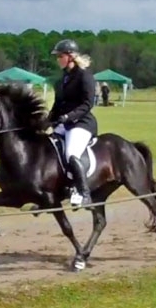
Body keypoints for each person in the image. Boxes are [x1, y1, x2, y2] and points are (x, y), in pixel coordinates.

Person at [48, 39, 98, 208]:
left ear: (70, 57)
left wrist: (68, 117)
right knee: (50, 149)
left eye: (60, 56)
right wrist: (46, 121)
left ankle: (84, 193)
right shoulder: (62, 80)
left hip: (82, 123)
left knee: (71, 153)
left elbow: (87, 104)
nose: (57, 60)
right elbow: (57, 105)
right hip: (64, 124)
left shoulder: (84, 76)